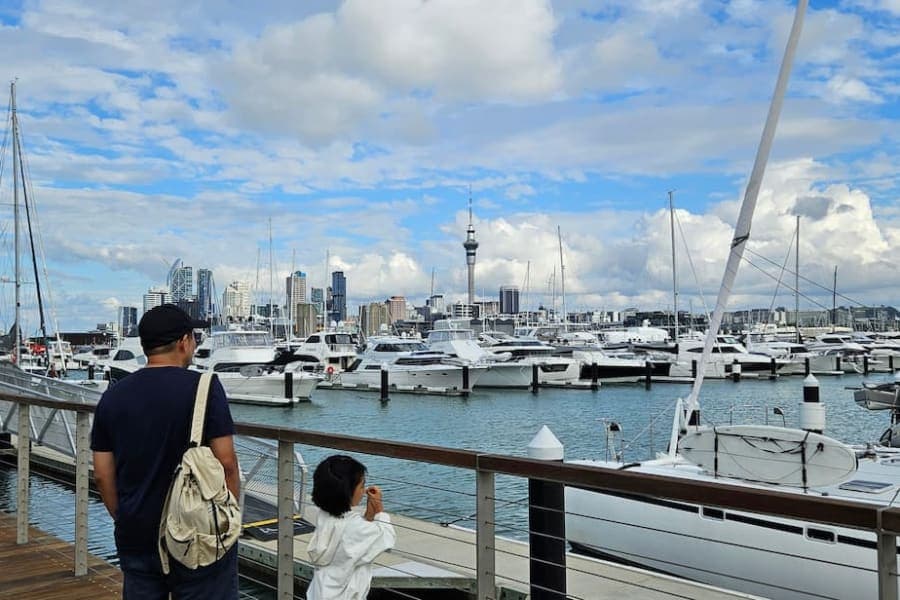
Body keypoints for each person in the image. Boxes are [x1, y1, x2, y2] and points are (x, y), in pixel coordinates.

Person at [91, 304, 240, 599]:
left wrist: (124, 516)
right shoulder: (204, 387)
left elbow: (102, 476)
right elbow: (227, 463)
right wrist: (225, 518)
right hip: (198, 532)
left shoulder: (112, 397)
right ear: (184, 341)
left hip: (136, 531)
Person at [306, 455, 396, 600]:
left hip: (320, 591)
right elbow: (387, 538)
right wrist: (379, 510)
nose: (364, 490)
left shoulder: (325, 516)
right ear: (346, 491)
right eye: (361, 486)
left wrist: (369, 515)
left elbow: (357, 535)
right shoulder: (356, 527)